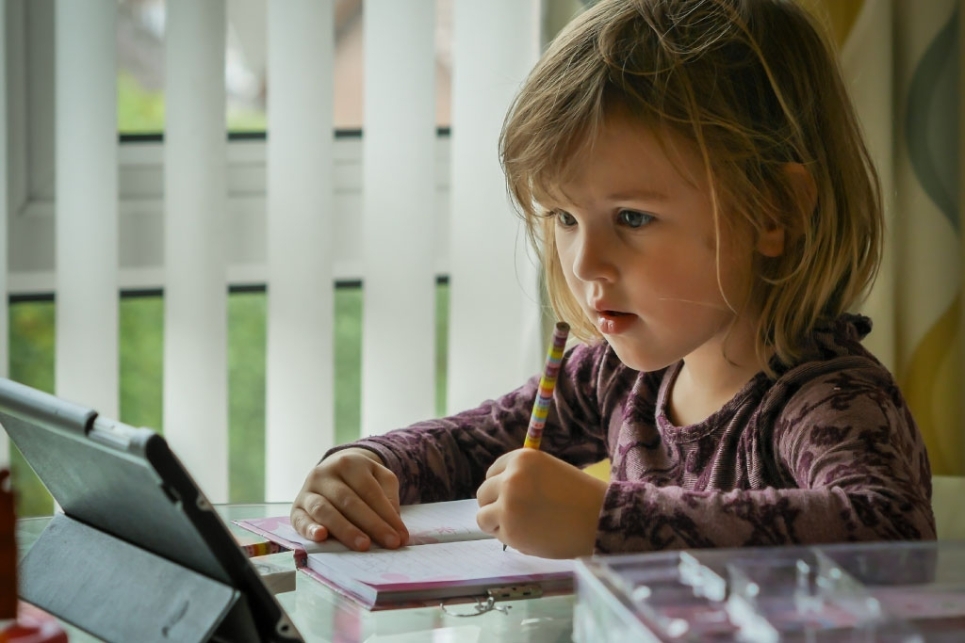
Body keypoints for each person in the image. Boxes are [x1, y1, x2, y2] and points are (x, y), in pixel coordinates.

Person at [290, 0, 936, 559]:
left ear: (773, 213)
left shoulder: (826, 398)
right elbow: (467, 443)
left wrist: (607, 518)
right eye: (564, 217)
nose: (583, 262)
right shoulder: (612, 377)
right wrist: (369, 468)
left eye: (631, 216)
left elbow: (891, 532)